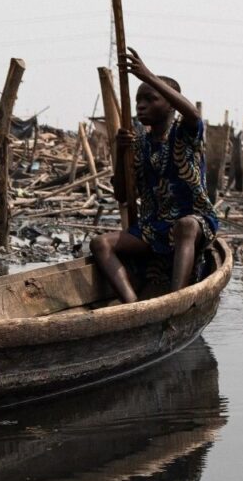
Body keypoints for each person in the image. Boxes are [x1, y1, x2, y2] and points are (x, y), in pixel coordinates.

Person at [90, 48, 218, 302]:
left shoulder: (184, 134)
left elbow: (192, 114)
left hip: (195, 223)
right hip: (152, 229)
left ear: (171, 104)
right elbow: (123, 194)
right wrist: (120, 152)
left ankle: (175, 300)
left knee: (185, 226)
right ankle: (132, 305)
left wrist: (146, 75)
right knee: (100, 244)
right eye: (139, 99)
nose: (141, 105)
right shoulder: (139, 144)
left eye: (150, 99)